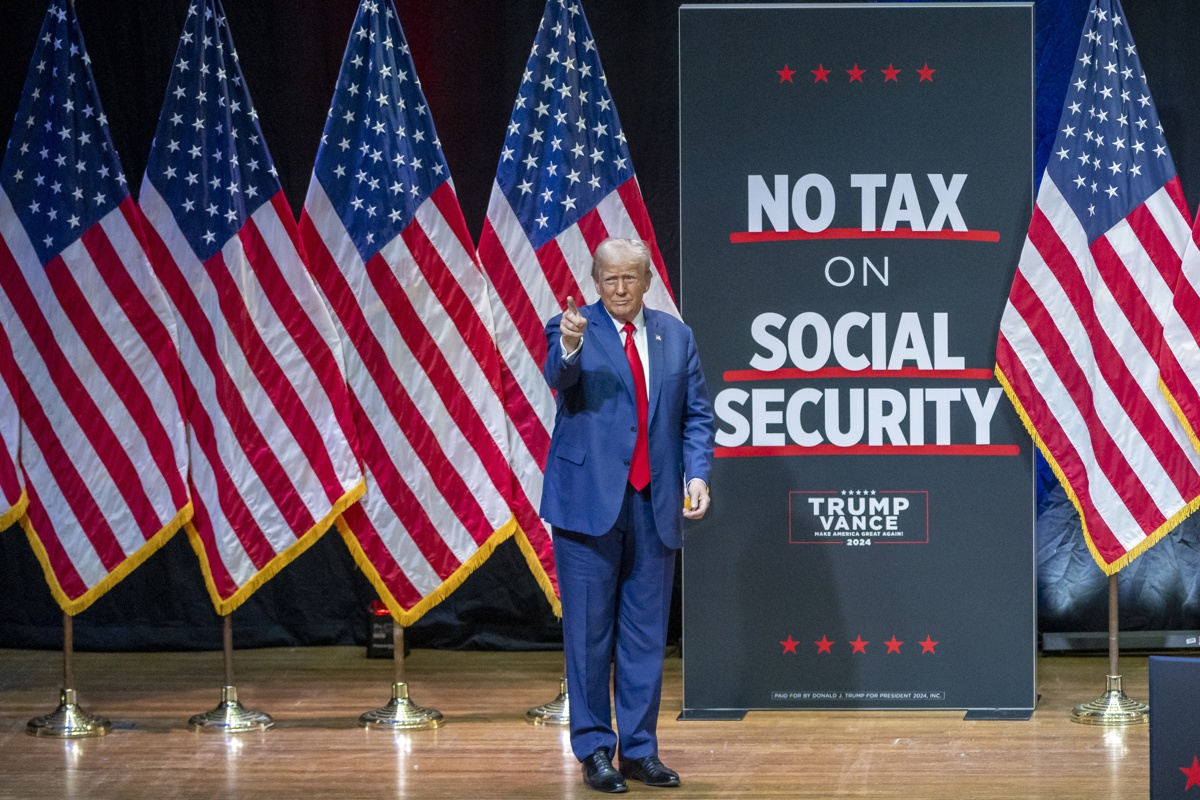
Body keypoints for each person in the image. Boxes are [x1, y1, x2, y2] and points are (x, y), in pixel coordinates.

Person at [541, 237, 715, 793]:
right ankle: (595, 750)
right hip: (587, 503)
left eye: (630, 278)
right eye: (610, 279)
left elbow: (696, 416)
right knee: (589, 636)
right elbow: (560, 376)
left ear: (646, 281)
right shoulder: (572, 326)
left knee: (644, 637)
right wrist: (569, 345)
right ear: (595, 281)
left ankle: (639, 750)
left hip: (654, 503)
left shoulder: (675, 335)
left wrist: (697, 475)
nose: (620, 288)